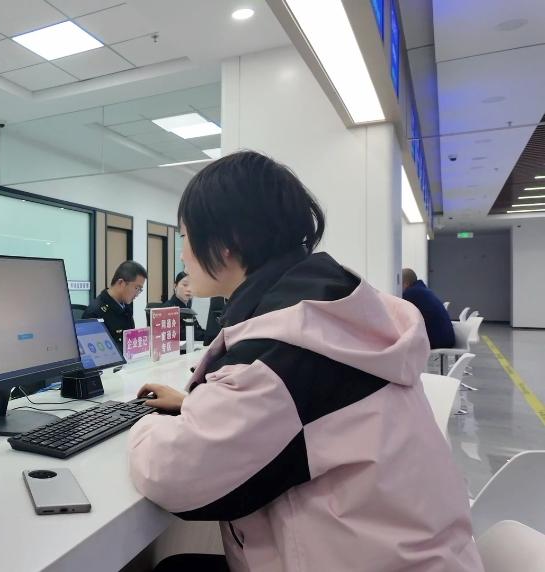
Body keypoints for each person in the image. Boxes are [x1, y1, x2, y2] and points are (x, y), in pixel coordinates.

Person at [128, 151, 482, 571]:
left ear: (227, 243)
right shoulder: (332, 311)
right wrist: (194, 405)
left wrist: (139, 425)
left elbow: (173, 474)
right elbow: (302, 413)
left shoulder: (278, 356)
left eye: (185, 237)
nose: (183, 255)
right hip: (416, 553)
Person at [82, 260, 147, 348]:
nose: (138, 293)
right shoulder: (95, 313)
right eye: (136, 288)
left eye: (140, 290)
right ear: (121, 283)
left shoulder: (125, 307)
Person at [402, 268, 456, 349]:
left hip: (439, 341)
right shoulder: (423, 290)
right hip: (446, 338)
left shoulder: (411, 293)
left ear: (405, 284)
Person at [163, 271, 207, 343]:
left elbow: (197, 329)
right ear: (175, 286)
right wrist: (208, 336)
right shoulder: (169, 309)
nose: (189, 289)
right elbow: (182, 334)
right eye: (185, 285)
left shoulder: (187, 307)